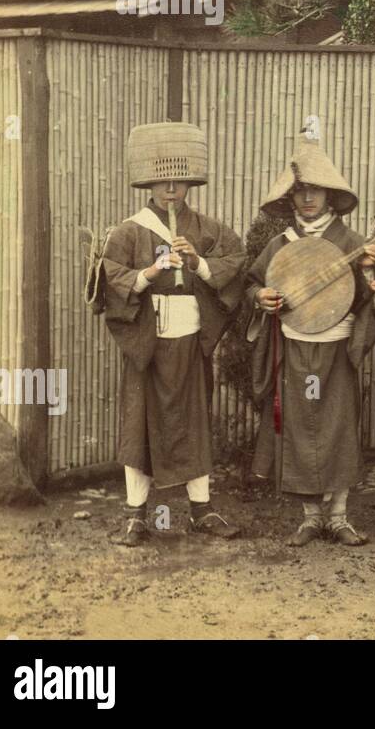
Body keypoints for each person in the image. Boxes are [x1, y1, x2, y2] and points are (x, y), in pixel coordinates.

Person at [96, 121, 244, 546]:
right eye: (162, 181)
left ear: (188, 183)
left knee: (194, 422)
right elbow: (111, 278)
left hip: (190, 335)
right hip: (147, 339)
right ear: (149, 182)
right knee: (139, 422)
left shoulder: (207, 227)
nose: (171, 189)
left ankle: (202, 509)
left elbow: (236, 261)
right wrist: (150, 271)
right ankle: (136, 514)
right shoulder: (128, 230)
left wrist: (197, 263)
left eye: (178, 181)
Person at [247, 135, 375, 547]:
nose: (308, 198)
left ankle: (339, 516)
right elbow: (253, 281)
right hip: (294, 345)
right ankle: (309, 517)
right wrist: (260, 297)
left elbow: (367, 297)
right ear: (291, 198)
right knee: (300, 427)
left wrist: (370, 280)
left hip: (337, 347)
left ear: (331, 197)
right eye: (301, 191)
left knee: (338, 423)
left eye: (316, 191)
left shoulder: (353, 243)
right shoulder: (280, 245)